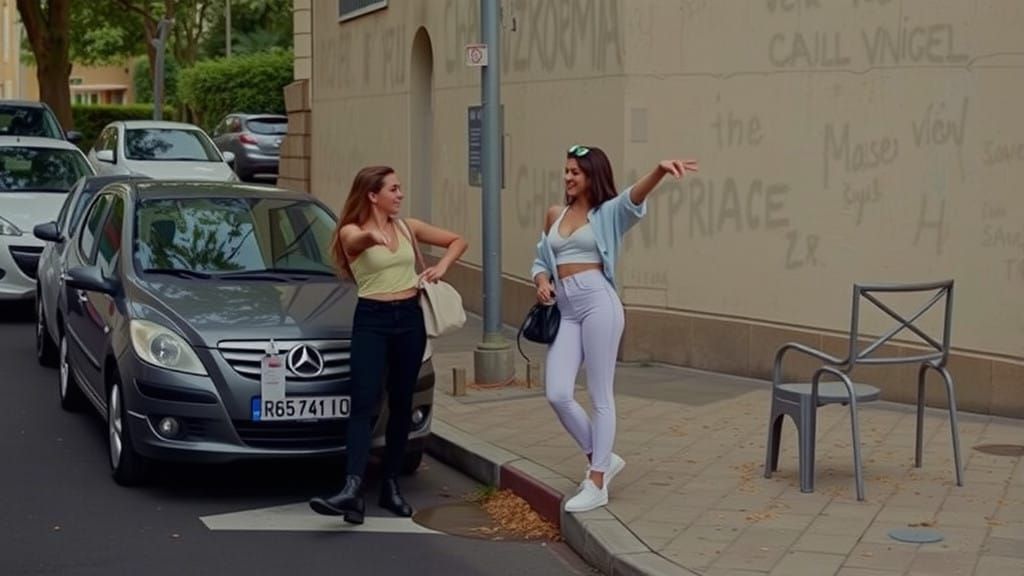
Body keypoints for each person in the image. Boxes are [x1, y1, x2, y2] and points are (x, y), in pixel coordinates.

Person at [531, 145, 698, 513]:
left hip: (598, 304)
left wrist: (659, 170)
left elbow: (631, 198)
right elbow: (541, 259)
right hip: (566, 310)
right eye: (566, 171)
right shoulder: (554, 215)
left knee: (599, 392)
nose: (568, 177)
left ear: (592, 176)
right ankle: (602, 457)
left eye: (575, 172)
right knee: (557, 393)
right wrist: (542, 279)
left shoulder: (606, 214)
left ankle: (597, 480)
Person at [310, 165, 467, 524]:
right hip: (372, 320)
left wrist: (442, 266)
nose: (400, 194)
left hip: (409, 319)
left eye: (400, 188)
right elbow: (352, 243)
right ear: (372, 195)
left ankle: (390, 486)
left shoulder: (407, 226)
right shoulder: (353, 230)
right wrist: (372, 239)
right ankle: (352, 488)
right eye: (394, 189)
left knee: (401, 403)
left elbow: (458, 241)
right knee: (364, 403)